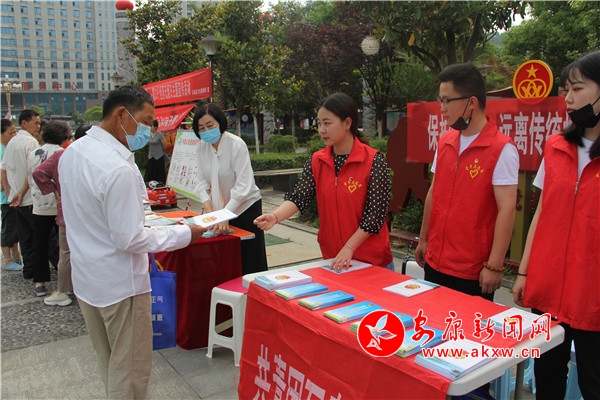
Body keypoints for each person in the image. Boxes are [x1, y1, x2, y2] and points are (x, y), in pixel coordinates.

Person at [59, 85, 207, 399]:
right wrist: (186, 233)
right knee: (129, 373)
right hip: (120, 286)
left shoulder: (73, 152)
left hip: (87, 280)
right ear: (121, 114)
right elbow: (130, 238)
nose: (149, 130)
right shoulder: (116, 168)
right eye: (146, 121)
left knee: (111, 364)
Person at [512, 50, 600, 399]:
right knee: (547, 380)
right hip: (549, 290)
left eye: (577, 89)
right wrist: (524, 271)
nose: (568, 98)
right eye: (566, 90)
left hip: (592, 296)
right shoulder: (556, 146)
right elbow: (542, 212)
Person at [254, 92, 394, 272]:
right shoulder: (317, 160)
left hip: (372, 261)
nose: (321, 130)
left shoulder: (374, 161)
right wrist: (275, 216)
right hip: (334, 260)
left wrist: (349, 247)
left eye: (327, 123)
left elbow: (375, 217)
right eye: (319, 123)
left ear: (347, 123)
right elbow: (299, 197)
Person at [414, 63, 519, 300]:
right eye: (440, 101)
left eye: (447, 101)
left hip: (472, 270)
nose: (442, 108)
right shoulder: (446, 141)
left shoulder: (501, 149)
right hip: (435, 261)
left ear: (472, 102)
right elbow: (433, 192)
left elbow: (507, 209)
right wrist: (424, 239)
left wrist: (494, 265)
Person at [192, 103, 268, 275]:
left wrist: (225, 214)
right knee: (226, 258)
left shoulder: (236, 145)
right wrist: (209, 207)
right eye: (201, 128)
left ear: (220, 122)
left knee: (249, 259)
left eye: (210, 125)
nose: (206, 131)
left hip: (245, 208)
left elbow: (244, 186)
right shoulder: (201, 147)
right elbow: (200, 181)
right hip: (220, 210)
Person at [27, 121, 68, 297]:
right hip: (60, 205)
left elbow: (33, 175)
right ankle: (64, 283)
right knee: (64, 246)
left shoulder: (33, 153)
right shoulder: (62, 153)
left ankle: (40, 282)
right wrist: (55, 189)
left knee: (40, 244)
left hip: (39, 203)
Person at [0, 110, 41, 280]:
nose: (38, 126)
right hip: (29, 199)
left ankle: (28, 270)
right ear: (24, 123)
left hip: (17, 200)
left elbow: (3, 169)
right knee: (38, 238)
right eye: (36, 123)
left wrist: (9, 192)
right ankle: (39, 273)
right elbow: (32, 171)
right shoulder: (31, 142)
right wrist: (20, 192)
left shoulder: (12, 143)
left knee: (24, 238)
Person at [0, 118, 21, 270]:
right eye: (10, 133)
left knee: (14, 227)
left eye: (15, 132)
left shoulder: (8, 148)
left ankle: (15, 255)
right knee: (8, 228)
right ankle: (7, 259)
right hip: (6, 197)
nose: (14, 135)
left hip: (13, 195)